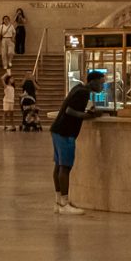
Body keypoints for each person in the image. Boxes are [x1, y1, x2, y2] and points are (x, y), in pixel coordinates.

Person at [51, 81, 93, 213]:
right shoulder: (84, 92)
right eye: (101, 83)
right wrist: (88, 115)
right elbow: (70, 110)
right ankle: (64, 203)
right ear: (94, 82)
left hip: (57, 130)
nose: (102, 86)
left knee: (58, 165)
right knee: (65, 167)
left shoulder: (78, 88)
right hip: (66, 132)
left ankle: (59, 201)